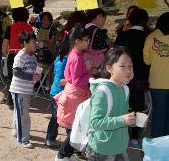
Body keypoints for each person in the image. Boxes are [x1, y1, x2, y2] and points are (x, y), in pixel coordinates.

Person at [86, 47, 135, 160]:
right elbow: (95, 122)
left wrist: (131, 120)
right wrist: (122, 120)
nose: (128, 70)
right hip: (102, 149)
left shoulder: (125, 89)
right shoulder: (103, 91)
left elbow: (120, 115)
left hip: (120, 146)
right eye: (122, 66)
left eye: (130, 66)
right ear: (109, 68)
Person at [55, 25, 91, 161]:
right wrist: (89, 74)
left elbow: (69, 76)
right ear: (77, 41)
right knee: (75, 131)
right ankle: (62, 155)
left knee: (75, 130)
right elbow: (77, 81)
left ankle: (67, 154)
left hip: (74, 95)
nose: (88, 43)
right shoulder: (76, 57)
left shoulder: (75, 54)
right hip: (75, 97)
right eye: (86, 40)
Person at [114, 8, 150, 146]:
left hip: (122, 75)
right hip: (141, 76)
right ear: (145, 21)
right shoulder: (148, 36)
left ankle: (120, 133)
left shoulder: (123, 35)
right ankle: (135, 137)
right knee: (138, 105)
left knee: (121, 103)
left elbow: (115, 55)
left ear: (131, 20)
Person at [10, 31, 41, 148]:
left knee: (20, 112)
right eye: (33, 42)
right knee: (23, 114)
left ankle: (17, 130)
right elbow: (16, 71)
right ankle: (23, 138)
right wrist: (31, 77)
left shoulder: (33, 57)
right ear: (25, 43)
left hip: (27, 90)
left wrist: (36, 77)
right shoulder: (20, 56)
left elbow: (32, 73)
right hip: (19, 90)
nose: (35, 44)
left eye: (35, 41)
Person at [143, 12, 169, 138]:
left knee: (159, 114)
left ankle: (157, 145)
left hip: (157, 83)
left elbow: (146, 60)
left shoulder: (151, 37)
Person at [2, 7, 34, 106]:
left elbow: (5, 43)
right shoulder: (29, 28)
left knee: (11, 77)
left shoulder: (10, 28)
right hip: (26, 55)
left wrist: (5, 53)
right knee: (24, 78)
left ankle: (10, 100)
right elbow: (33, 43)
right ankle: (23, 100)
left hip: (13, 55)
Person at [45, 34, 71, 148]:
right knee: (58, 117)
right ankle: (50, 139)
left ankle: (51, 138)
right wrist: (75, 81)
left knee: (58, 117)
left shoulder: (59, 58)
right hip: (58, 93)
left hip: (56, 92)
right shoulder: (64, 60)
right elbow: (61, 81)